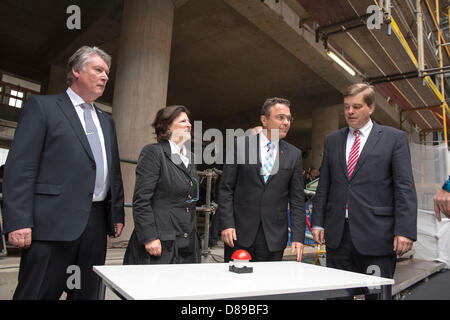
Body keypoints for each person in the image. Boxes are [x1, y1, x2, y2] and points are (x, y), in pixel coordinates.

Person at [2, 46, 125, 300]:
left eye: (107, 73)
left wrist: (117, 212)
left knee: (87, 294)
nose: (105, 77)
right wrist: (19, 220)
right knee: (37, 293)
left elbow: (112, 171)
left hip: (95, 225)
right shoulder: (43, 107)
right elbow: (21, 167)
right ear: (76, 71)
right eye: (98, 70)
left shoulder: (106, 121)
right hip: (51, 224)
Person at [311, 83, 417, 297]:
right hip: (338, 236)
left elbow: (404, 186)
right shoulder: (333, 140)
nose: (350, 112)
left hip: (377, 236)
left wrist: (404, 230)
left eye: (356, 107)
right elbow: (325, 186)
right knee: (338, 293)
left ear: (371, 108)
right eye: (347, 106)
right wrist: (318, 221)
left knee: (376, 294)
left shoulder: (393, 139)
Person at [219, 97, 305, 262]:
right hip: (238, 234)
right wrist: (227, 224)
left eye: (288, 118)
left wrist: (298, 236)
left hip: (274, 237)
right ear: (264, 120)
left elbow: (297, 199)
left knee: (270, 286)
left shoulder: (294, 154)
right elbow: (225, 188)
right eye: (280, 117)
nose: (286, 122)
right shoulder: (240, 145)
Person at [123, 105, 201, 264]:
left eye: (189, 121)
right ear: (167, 127)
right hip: (160, 241)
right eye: (183, 121)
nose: (189, 124)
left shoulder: (190, 157)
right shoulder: (153, 152)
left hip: (187, 242)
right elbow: (141, 200)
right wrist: (149, 237)